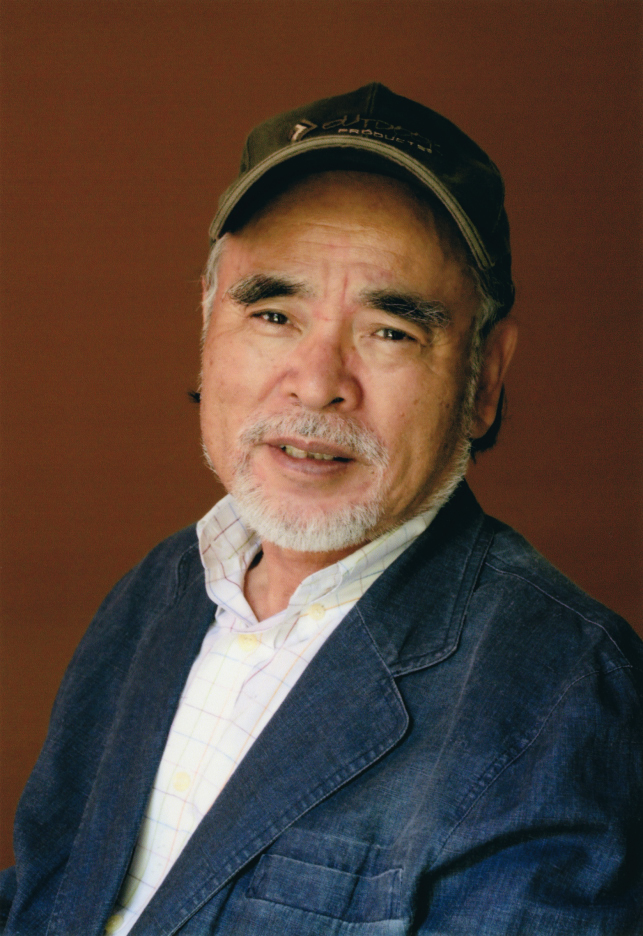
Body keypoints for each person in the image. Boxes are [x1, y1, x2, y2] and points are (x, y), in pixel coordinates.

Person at [1, 83, 641, 936]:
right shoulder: (155, 593)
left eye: (390, 332)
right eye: (273, 314)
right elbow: (45, 900)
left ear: (483, 378)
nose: (316, 383)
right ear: (206, 325)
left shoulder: (563, 691)